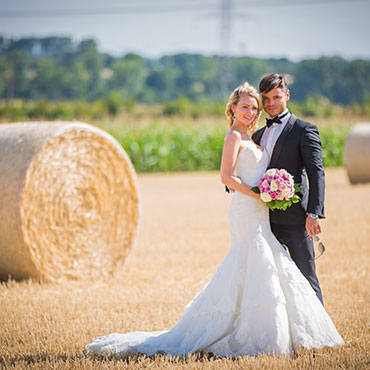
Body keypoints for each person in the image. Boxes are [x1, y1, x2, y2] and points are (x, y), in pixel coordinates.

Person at [86, 82, 343, 358]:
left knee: (283, 268)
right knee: (255, 261)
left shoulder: (257, 136)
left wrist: (295, 203)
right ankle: (253, 332)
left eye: (255, 106)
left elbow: (314, 171)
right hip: (249, 209)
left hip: (269, 211)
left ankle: (306, 333)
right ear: (233, 108)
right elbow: (226, 177)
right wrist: (259, 193)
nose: (253, 110)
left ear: (285, 97)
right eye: (247, 106)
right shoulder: (236, 136)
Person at [252, 73, 325, 304]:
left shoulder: (304, 129)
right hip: (264, 219)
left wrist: (313, 213)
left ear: (287, 95)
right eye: (266, 99)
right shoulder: (257, 134)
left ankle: (320, 333)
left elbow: (316, 172)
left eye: (276, 97)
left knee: (306, 276)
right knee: (271, 279)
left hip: (297, 219)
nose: (270, 103)